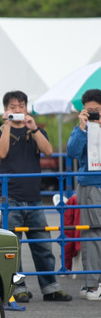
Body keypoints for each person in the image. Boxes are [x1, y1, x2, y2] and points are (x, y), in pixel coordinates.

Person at [0, 90, 71, 302]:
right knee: (13, 248)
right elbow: (0, 153)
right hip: (10, 199)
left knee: (43, 245)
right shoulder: (0, 132)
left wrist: (33, 127)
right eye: (12, 107)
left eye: (20, 106)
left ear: (27, 108)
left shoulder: (36, 131)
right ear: (5, 110)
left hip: (34, 198)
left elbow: (47, 151)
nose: (17, 110)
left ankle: (51, 288)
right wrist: (8, 124)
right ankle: (17, 289)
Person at [66, 88, 101, 301]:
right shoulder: (82, 128)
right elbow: (71, 152)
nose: (95, 115)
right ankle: (91, 284)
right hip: (90, 184)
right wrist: (82, 126)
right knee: (93, 233)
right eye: (90, 111)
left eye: (98, 110)